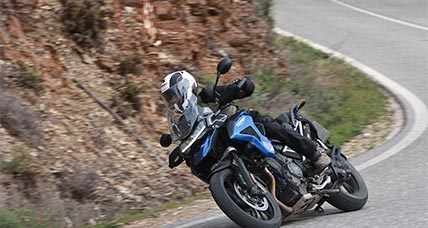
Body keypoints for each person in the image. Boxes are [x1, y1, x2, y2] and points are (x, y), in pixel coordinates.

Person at [161, 71, 331, 173]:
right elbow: (186, 136)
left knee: (270, 125)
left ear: (183, 87)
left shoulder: (206, 95)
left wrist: (239, 87)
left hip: (238, 124)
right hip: (218, 142)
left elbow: (240, 89)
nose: (172, 101)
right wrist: (178, 148)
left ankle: (315, 154)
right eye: (169, 98)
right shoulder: (183, 118)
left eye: (172, 95)